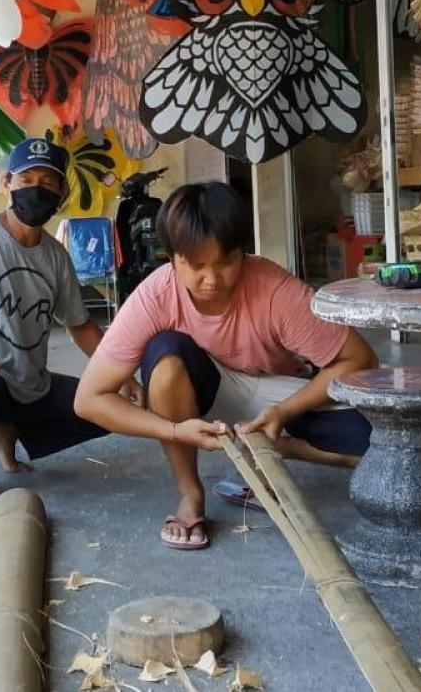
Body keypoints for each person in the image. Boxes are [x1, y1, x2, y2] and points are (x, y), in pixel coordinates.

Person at [74, 182, 378, 550]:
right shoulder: (155, 294)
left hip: (279, 390)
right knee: (165, 352)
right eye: (196, 265)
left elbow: (361, 360)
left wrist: (285, 410)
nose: (212, 280)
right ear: (172, 258)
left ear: (243, 254)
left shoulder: (274, 289)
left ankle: (265, 445)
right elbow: (89, 399)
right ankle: (190, 494)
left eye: (225, 262)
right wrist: (173, 430)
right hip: (212, 390)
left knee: (382, 451)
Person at [0, 138, 135, 507]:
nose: (36, 189)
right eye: (27, 179)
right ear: (7, 184)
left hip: (28, 382)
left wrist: (122, 377)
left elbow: (81, 326)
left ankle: (4, 428)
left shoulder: (56, 257)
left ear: (60, 192)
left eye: (48, 182)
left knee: (104, 409)